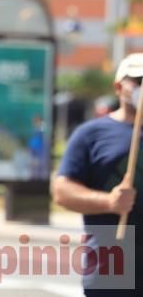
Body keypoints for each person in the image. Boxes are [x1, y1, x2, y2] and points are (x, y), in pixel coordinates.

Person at [52, 53, 143, 295]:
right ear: (118, 86)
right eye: (138, 80)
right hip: (111, 269)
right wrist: (109, 202)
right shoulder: (91, 134)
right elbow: (62, 191)